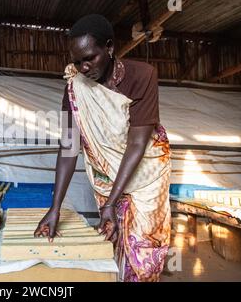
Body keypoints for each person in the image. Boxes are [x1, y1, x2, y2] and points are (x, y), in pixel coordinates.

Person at [34, 14, 171, 282]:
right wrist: (55, 208)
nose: (83, 68)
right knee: (114, 237)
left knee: (143, 249)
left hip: (146, 176)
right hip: (108, 178)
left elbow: (137, 143)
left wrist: (111, 202)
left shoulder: (142, 76)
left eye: (90, 58)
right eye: (77, 62)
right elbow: (68, 148)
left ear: (109, 47)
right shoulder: (73, 90)